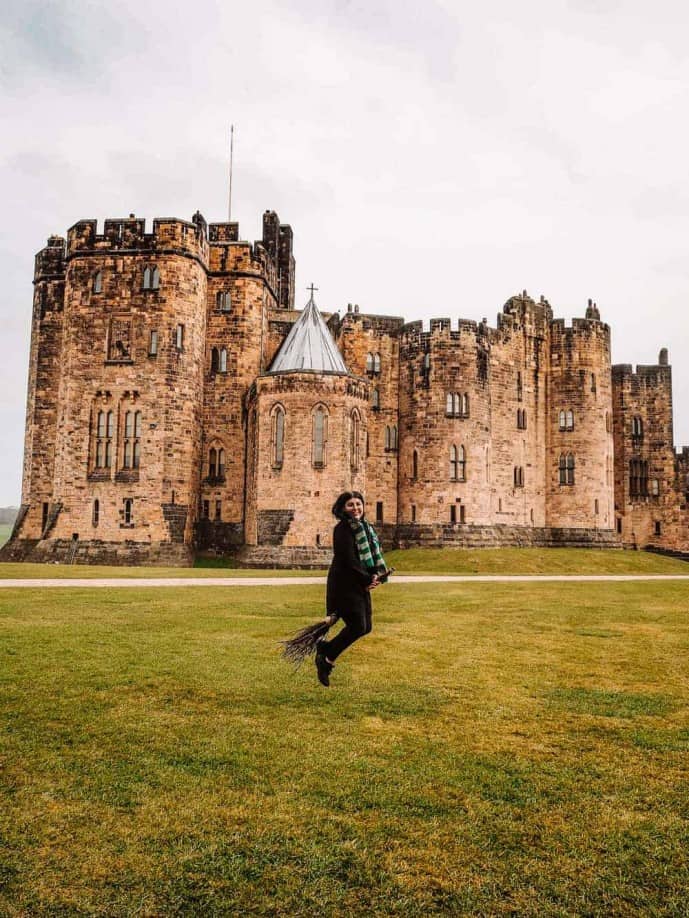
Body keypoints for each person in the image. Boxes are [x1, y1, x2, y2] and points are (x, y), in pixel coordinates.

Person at [315, 491, 387, 687]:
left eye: (358, 504)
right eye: (350, 505)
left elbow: (369, 556)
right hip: (344, 584)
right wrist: (366, 578)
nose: (356, 508)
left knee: (366, 627)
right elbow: (348, 560)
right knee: (357, 626)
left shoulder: (365, 528)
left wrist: (375, 575)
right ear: (342, 508)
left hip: (359, 583)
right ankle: (326, 657)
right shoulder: (342, 529)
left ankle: (326, 651)